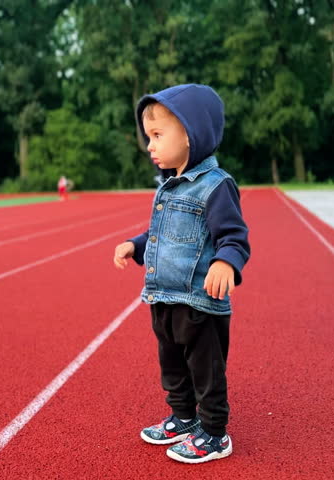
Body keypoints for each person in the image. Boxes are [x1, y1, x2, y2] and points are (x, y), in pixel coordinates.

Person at [112, 84, 250, 464]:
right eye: (148, 136)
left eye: (157, 135)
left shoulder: (215, 186)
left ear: (188, 135)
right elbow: (160, 234)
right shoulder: (168, 187)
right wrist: (135, 245)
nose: (149, 145)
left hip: (200, 302)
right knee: (172, 365)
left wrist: (225, 262)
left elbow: (233, 237)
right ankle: (184, 417)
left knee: (206, 369)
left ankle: (214, 434)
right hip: (163, 296)